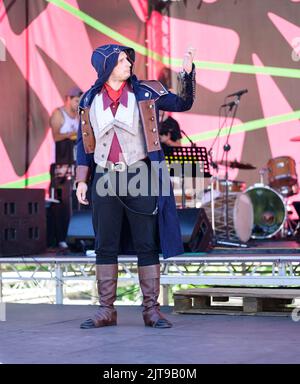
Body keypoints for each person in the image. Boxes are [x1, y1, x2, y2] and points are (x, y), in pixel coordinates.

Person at [75, 44, 195, 329]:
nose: (128, 63)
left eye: (128, 59)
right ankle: (106, 310)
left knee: (146, 242)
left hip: (139, 174)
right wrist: (82, 178)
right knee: (105, 244)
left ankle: (151, 311)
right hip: (104, 175)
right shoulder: (89, 99)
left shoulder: (147, 92)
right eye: (121, 61)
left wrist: (187, 75)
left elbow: (183, 103)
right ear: (106, 68)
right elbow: (83, 143)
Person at [49, 86, 83, 249]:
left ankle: (78, 233)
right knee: (62, 203)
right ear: (68, 98)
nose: (78, 104)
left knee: (77, 200)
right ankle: (60, 236)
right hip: (60, 165)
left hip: (74, 163)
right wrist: (73, 135)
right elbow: (56, 136)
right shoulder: (58, 114)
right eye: (76, 101)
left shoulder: (79, 115)